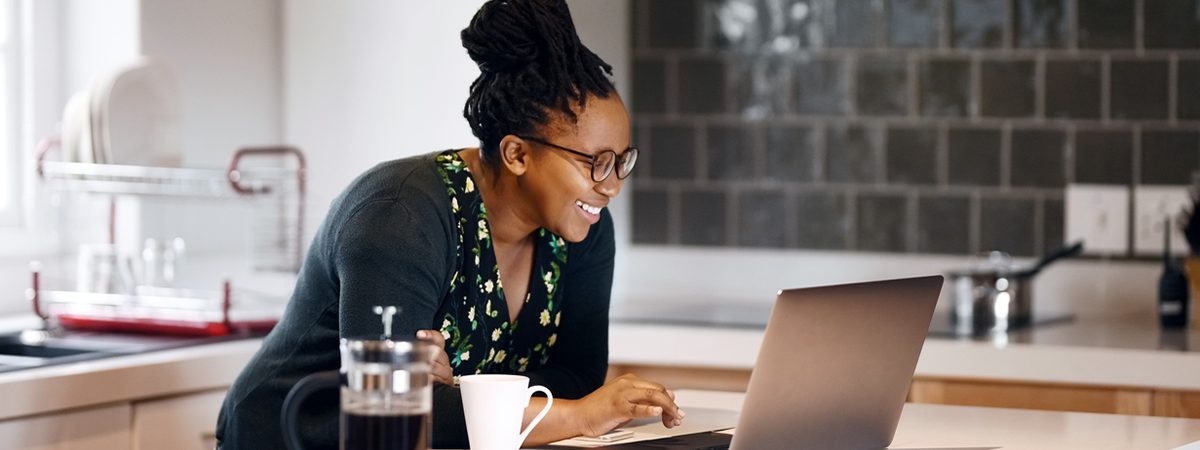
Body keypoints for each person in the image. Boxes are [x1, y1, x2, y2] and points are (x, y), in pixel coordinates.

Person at [214, 1, 685, 448]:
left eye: (622, 162)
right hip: (289, 438)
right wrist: (576, 416)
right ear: (517, 154)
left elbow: (578, 376)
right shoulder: (400, 216)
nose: (612, 185)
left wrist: (457, 390)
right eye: (595, 163)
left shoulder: (583, 228)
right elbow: (389, 405)